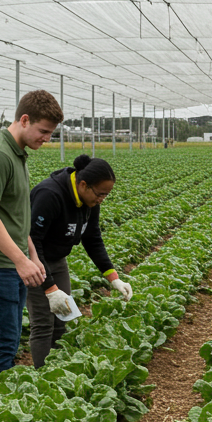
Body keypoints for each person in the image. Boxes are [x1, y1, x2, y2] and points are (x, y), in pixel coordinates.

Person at [0, 90, 60, 397]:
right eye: (43, 131)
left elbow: (15, 213)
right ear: (24, 119)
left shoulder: (17, 152)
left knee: (9, 333)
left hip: (8, 259)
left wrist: (32, 254)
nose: (46, 139)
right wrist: (20, 260)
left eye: (50, 134)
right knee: (3, 335)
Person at [27, 154, 132, 366]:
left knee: (62, 318)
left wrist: (113, 277)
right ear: (83, 184)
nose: (102, 199)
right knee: (43, 323)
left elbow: (92, 238)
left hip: (57, 261)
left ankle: (59, 369)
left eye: (106, 195)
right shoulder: (50, 195)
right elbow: (31, 241)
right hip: (34, 262)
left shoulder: (89, 201)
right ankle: (42, 377)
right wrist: (49, 289)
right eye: (100, 194)